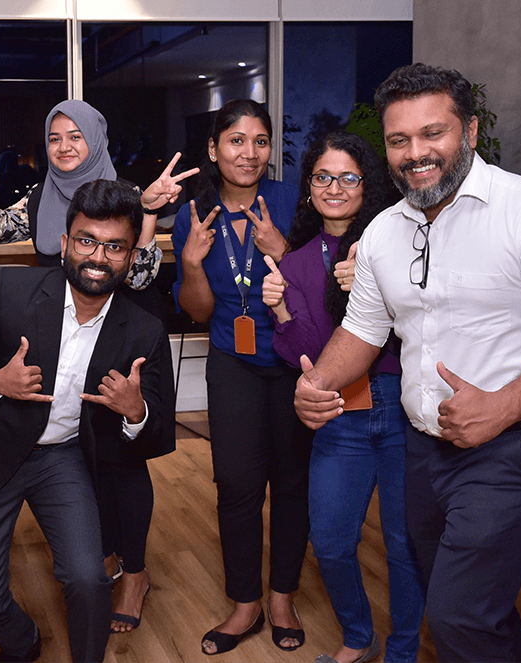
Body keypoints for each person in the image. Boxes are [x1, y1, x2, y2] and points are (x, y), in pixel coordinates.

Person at [294, 63, 521, 663]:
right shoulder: (383, 233)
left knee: (458, 616)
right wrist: (317, 382)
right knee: (470, 608)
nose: (415, 153)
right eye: (399, 140)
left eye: (433, 134)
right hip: (424, 449)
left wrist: (501, 406)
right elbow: (363, 329)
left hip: (518, 445)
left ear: (469, 131)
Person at [0, 98, 191, 632]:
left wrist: (147, 212)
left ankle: (133, 570)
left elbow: (143, 274)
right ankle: (94, 555)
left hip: (119, 327)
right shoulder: (41, 195)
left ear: (96, 140)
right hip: (50, 319)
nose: (64, 146)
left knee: (122, 462)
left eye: (75, 136)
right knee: (75, 455)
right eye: (55, 137)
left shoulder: (123, 195)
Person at [262, 131, 424, 663]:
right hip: (339, 414)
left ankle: (402, 650)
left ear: (367, 184)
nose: (335, 187)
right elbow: (310, 358)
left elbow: (429, 324)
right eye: (323, 177)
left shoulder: (398, 239)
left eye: (349, 177)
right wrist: (283, 313)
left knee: (403, 546)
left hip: (403, 403)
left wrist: (375, 287)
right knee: (330, 542)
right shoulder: (298, 262)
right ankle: (360, 637)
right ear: (309, 188)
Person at [171, 98, 313, 655]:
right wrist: (188, 263)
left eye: (259, 140)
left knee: (293, 483)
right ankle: (245, 603)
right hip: (233, 362)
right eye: (235, 140)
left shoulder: (292, 201)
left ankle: (282, 597)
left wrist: (287, 253)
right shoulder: (194, 213)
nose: (248, 152)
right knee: (235, 486)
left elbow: (318, 298)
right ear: (213, 149)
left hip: (293, 360)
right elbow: (200, 312)